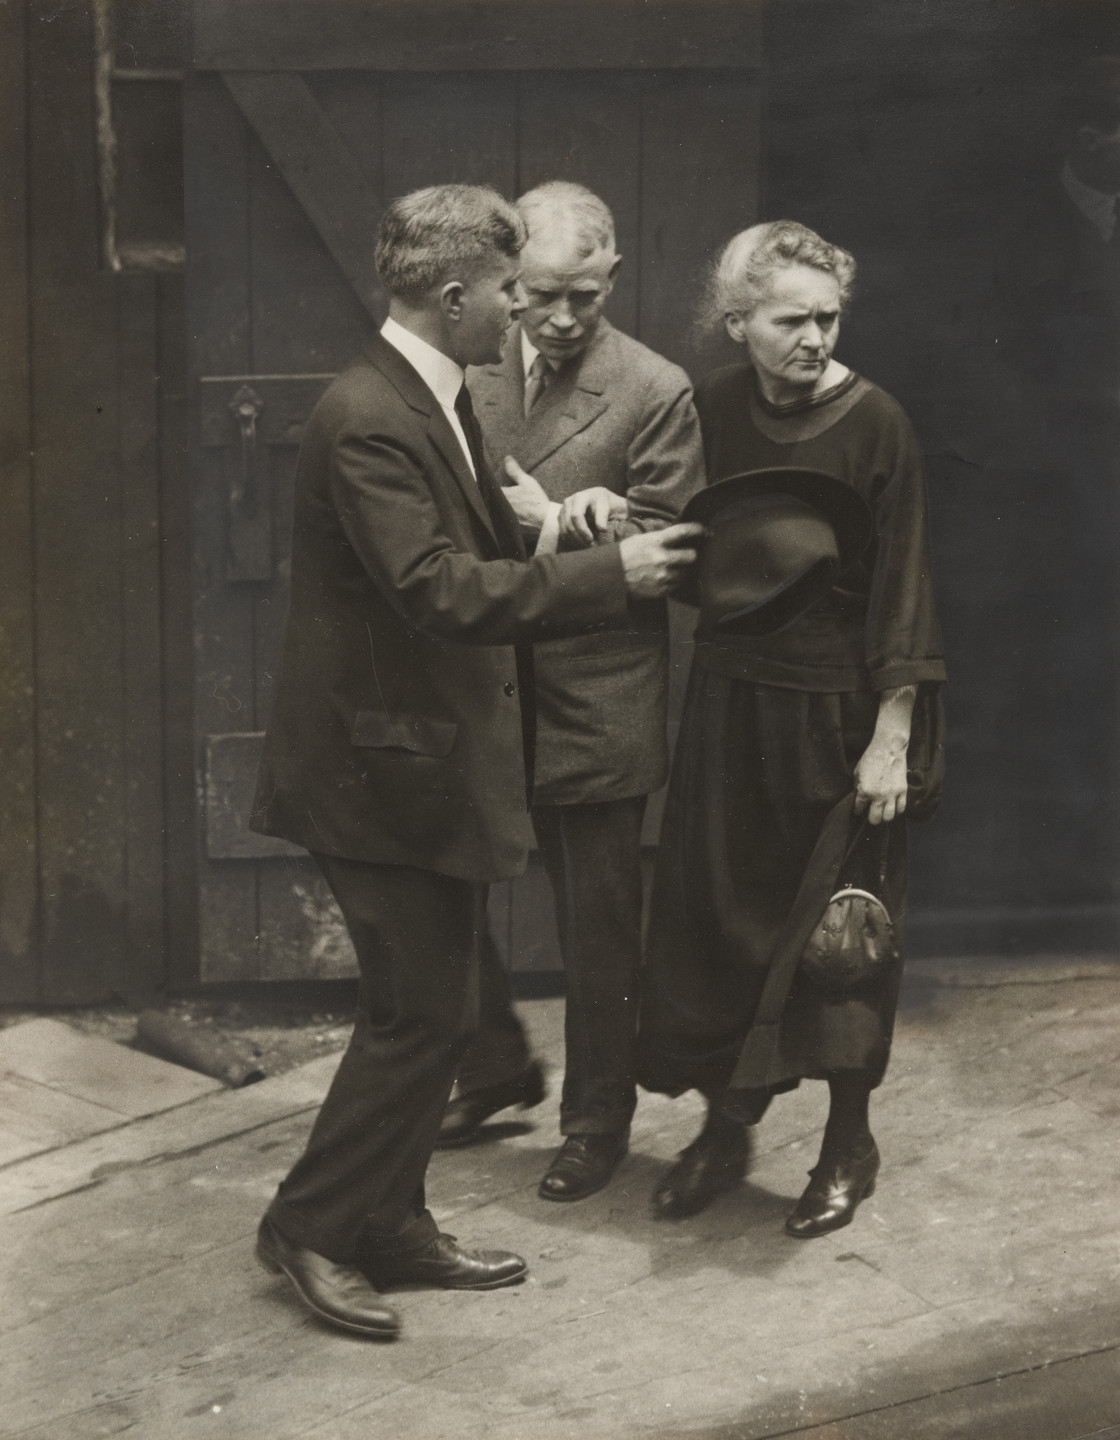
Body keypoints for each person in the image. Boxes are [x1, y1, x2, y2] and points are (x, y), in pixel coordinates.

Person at [248, 183, 701, 1339]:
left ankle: (391, 1225)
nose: (521, 311)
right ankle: (308, 1225)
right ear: (455, 296)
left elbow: (470, 531)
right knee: (416, 1016)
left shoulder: (426, 391)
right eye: (509, 290)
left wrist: (561, 520)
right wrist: (615, 576)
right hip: (376, 772)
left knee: (439, 1010)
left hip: (413, 760)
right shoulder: (370, 416)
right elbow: (436, 589)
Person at [601, 219, 946, 1237]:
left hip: (840, 716)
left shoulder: (875, 421)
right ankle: (724, 1129)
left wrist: (891, 736)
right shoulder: (706, 406)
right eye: (790, 320)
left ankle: (848, 1145)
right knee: (715, 922)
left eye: (827, 319)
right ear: (736, 321)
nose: (813, 338)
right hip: (731, 703)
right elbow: (668, 525)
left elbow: (903, 586)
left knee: (841, 941)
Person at [434, 181, 705, 1204]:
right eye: (539, 294)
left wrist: (590, 522)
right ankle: (493, 1062)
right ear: (509, 281)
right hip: (484, 681)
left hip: (597, 692)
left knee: (598, 930)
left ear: (612, 279)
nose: (557, 318)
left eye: (582, 297)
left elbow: (674, 545)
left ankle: (597, 1121)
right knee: (445, 884)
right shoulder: (469, 367)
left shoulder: (653, 387)